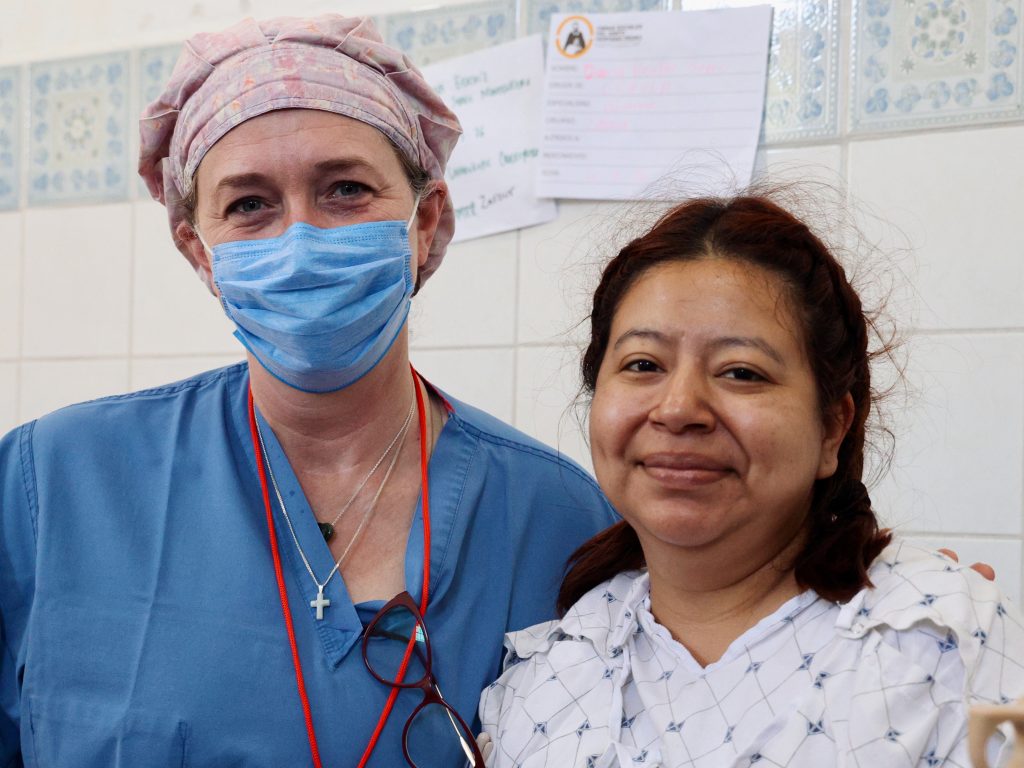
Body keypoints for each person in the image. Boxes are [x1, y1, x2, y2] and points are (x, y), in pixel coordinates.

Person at [0, 15, 617, 768]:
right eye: (249, 205)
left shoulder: (559, 520)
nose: (300, 241)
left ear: (425, 222)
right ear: (199, 252)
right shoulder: (56, 485)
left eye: (345, 190)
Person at [479, 194, 1024, 766]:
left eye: (741, 372)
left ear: (832, 429)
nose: (678, 408)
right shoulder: (549, 676)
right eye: (643, 365)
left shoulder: (941, 640)